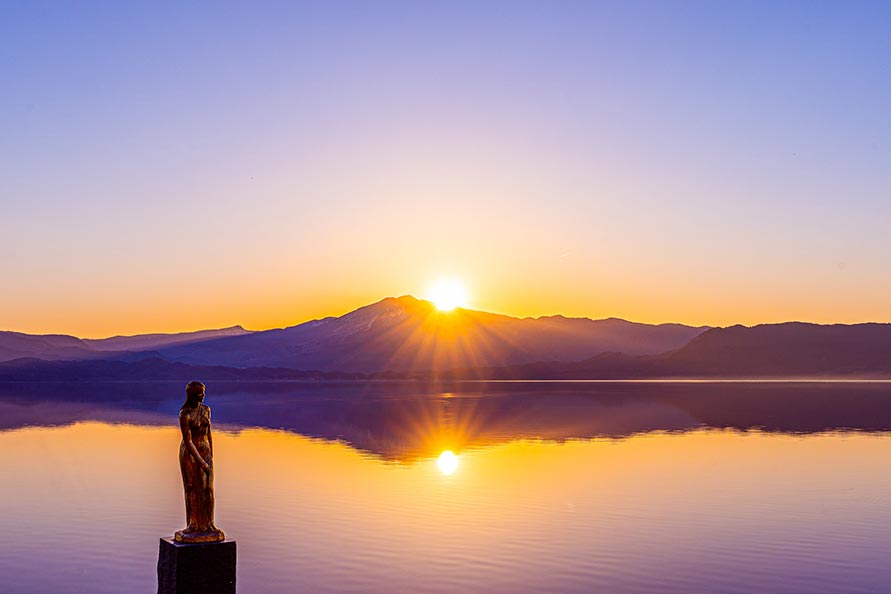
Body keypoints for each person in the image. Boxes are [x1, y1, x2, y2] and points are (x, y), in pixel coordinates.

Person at [175, 381, 225, 543]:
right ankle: (193, 524)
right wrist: (201, 461)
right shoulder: (185, 414)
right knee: (192, 489)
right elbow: (188, 441)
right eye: (200, 393)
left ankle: (208, 524)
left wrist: (211, 455)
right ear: (192, 394)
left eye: (204, 392)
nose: (203, 395)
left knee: (207, 489)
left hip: (205, 451)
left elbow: (209, 433)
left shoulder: (206, 410)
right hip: (190, 454)